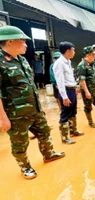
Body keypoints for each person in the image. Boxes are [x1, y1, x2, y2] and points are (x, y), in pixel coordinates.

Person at [0, 25, 65, 179]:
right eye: (22, 41)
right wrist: (3, 118)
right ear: (10, 42)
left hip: (34, 109)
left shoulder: (22, 60)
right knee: (20, 143)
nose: (26, 44)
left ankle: (48, 154)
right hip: (16, 114)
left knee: (44, 132)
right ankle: (25, 167)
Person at [54, 41, 83, 145]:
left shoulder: (68, 61)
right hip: (65, 91)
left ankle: (73, 131)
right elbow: (60, 81)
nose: (74, 52)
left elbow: (70, 78)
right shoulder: (59, 63)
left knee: (73, 111)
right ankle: (65, 137)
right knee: (65, 113)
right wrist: (64, 97)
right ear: (67, 51)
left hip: (71, 89)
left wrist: (76, 87)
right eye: (73, 50)